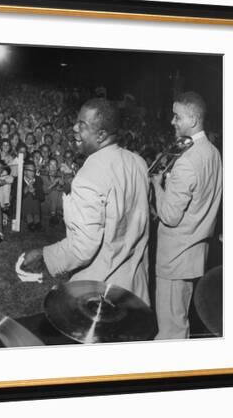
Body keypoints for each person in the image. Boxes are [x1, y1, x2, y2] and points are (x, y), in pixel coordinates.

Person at [22, 98, 151, 305]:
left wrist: (44, 256)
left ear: (101, 135)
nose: (74, 128)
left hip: (99, 294)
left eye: (82, 125)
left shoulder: (89, 174)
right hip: (134, 290)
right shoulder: (139, 162)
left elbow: (83, 247)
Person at [150, 92, 222, 339]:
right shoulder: (213, 153)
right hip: (195, 254)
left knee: (171, 331)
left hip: (174, 258)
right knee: (181, 322)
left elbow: (169, 216)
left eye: (177, 116)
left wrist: (157, 186)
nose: (172, 121)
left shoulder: (187, 161)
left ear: (192, 119)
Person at [22, 161, 45, 231]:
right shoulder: (18, 179)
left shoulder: (38, 179)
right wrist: (27, 189)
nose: (33, 173)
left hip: (35, 207)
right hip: (24, 207)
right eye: (30, 171)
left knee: (33, 195)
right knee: (28, 195)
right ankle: (30, 220)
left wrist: (34, 192)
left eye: (34, 170)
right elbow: (16, 196)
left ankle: (37, 220)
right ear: (25, 171)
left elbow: (42, 197)